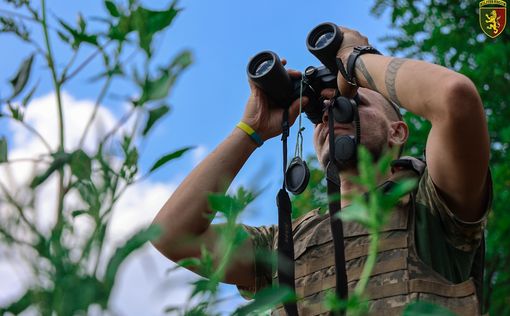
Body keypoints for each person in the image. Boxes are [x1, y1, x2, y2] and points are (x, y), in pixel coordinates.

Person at [151, 25, 491, 315]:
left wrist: (355, 59)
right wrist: (250, 130)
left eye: (351, 103)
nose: (330, 114)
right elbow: (171, 235)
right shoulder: (281, 244)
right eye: (320, 113)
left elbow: (454, 98)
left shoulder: (433, 209)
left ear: (397, 131)